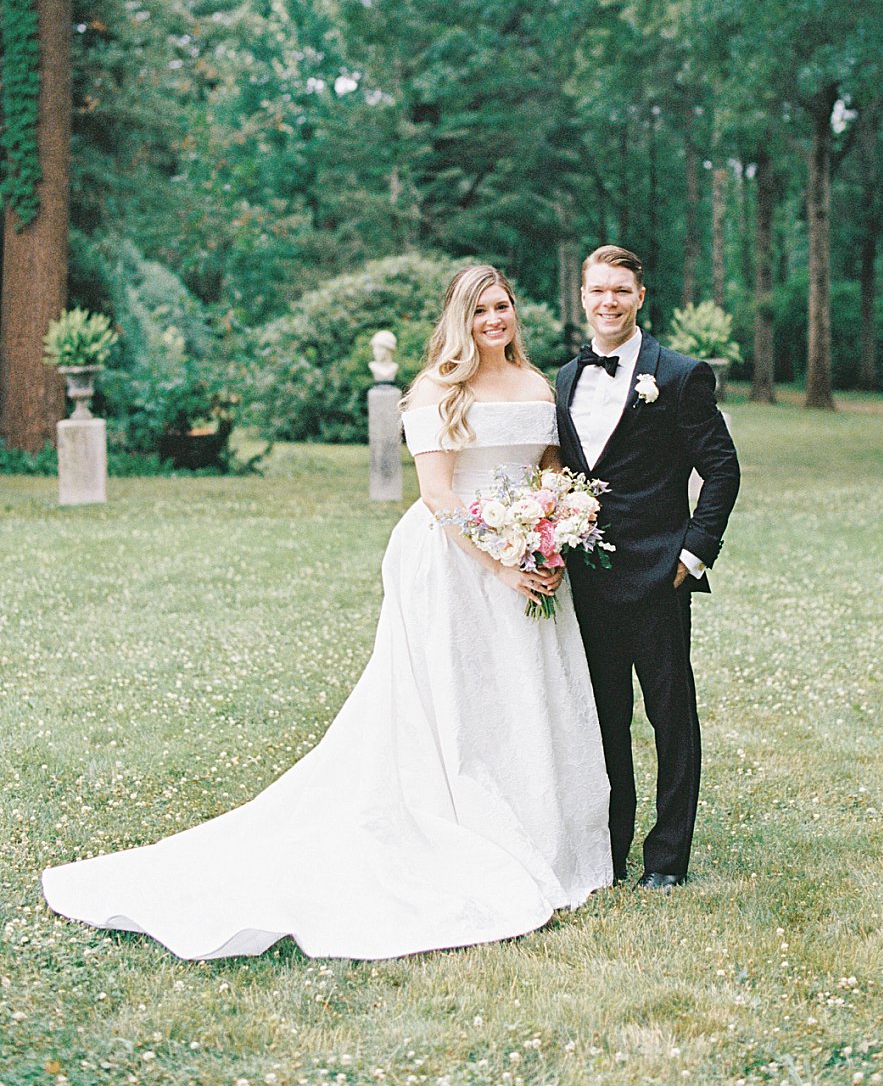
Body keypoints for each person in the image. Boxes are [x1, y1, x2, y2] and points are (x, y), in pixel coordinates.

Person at [41, 266, 612, 959]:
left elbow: (548, 468)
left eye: (504, 305)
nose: (496, 318)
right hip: (459, 563)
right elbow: (437, 495)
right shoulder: (436, 391)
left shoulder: (535, 387)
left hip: (531, 559)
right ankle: (471, 823)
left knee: (530, 695)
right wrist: (500, 562)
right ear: (459, 319)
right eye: (482, 309)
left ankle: (547, 835)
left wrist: (550, 534)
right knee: (463, 698)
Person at [555, 245, 740, 889]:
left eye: (621, 291)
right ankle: (610, 848)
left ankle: (667, 859)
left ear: (639, 299)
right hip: (590, 579)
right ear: (583, 297)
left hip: (661, 577)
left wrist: (692, 553)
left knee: (670, 718)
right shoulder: (563, 380)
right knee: (603, 718)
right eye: (597, 290)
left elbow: (721, 469)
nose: (608, 302)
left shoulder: (681, 375)